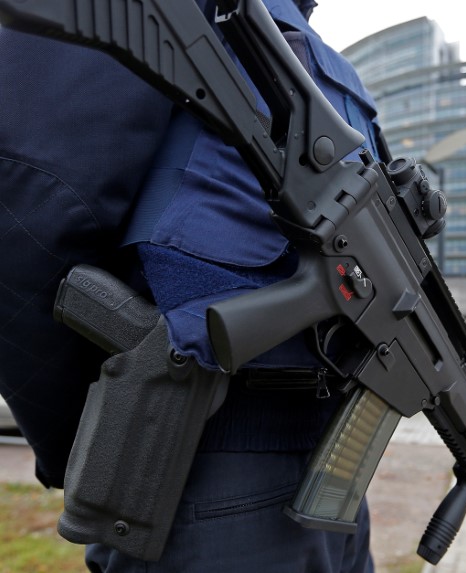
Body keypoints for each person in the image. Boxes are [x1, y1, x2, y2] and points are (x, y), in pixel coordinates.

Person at [0, 1, 385, 571]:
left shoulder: (314, 47)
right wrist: (120, 422)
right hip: (198, 470)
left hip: (328, 482)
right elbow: (28, 205)